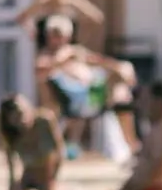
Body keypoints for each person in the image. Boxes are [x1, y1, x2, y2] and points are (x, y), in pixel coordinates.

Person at [38, 16, 138, 155]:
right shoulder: (47, 58)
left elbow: (97, 60)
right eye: (53, 34)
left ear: (68, 36)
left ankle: (131, 143)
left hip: (93, 95)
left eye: (60, 35)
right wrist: (62, 61)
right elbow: (40, 70)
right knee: (119, 88)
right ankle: (132, 144)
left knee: (123, 78)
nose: (56, 39)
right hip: (77, 101)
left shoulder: (75, 52)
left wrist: (118, 66)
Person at [0, 93, 65, 190]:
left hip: (50, 178)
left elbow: (58, 156)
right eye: (15, 118)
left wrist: (51, 189)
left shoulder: (44, 121)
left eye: (22, 113)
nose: (22, 120)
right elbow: (12, 175)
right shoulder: (11, 136)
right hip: (30, 181)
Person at [17, 0, 104, 52]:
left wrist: (83, 33)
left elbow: (97, 17)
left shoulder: (72, 1)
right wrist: (31, 30)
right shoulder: (42, 3)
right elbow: (21, 18)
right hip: (46, 50)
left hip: (69, 49)